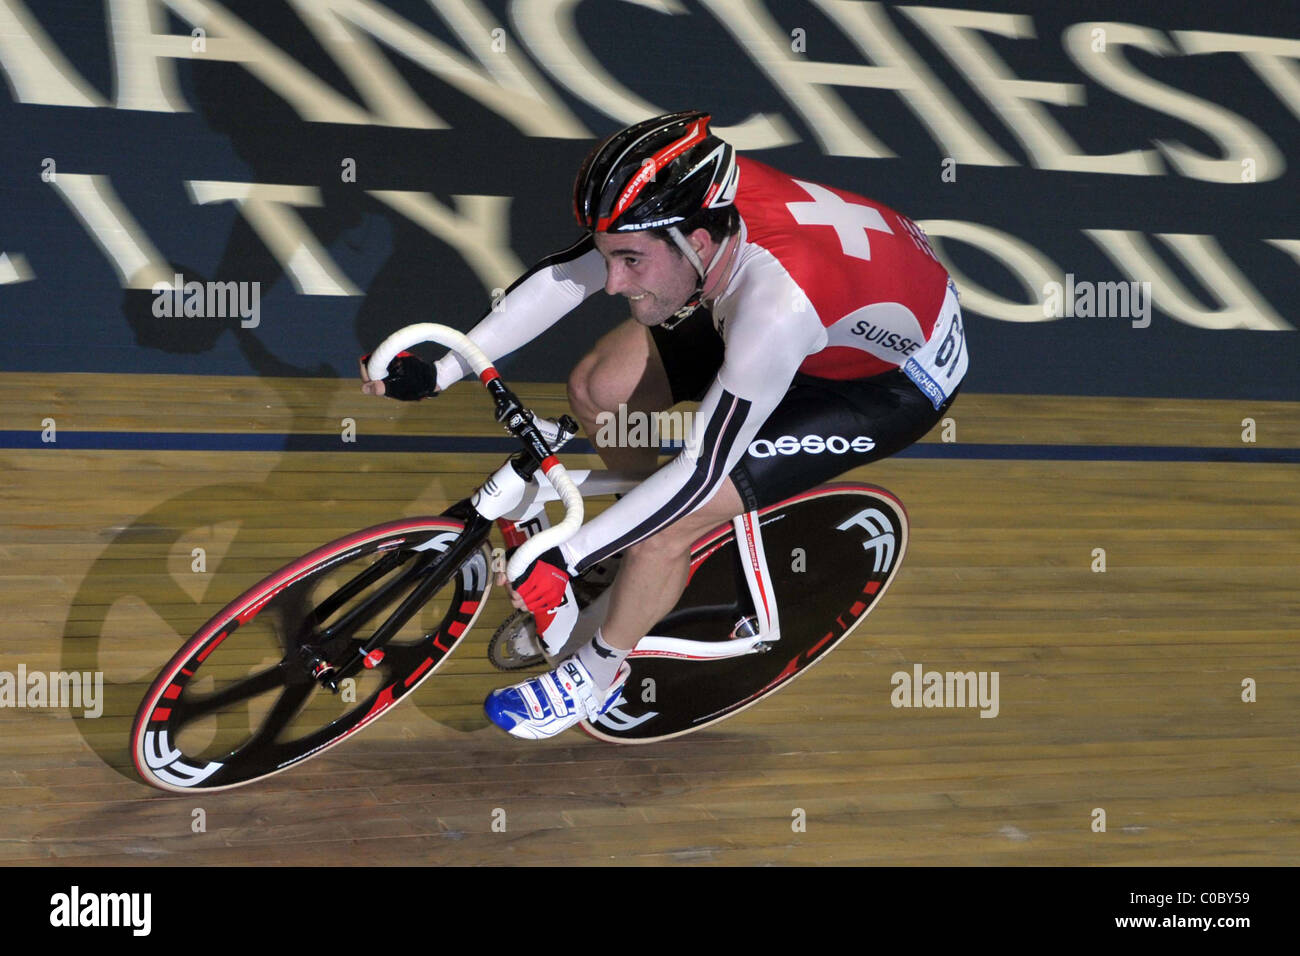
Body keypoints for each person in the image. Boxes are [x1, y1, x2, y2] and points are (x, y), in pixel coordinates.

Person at [361, 110, 967, 740]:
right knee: (600, 388)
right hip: (817, 303)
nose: (616, 282)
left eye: (631, 262)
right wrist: (442, 371)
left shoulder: (775, 306)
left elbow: (703, 469)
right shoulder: (691, 206)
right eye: (611, 258)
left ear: (697, 243)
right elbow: (568, 277)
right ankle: (631, 548)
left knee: (671, 526)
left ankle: (598, 673)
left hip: (886, 384)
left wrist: (567, 557)